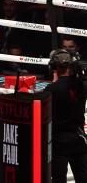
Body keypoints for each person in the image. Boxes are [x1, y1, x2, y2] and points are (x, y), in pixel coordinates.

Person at [44, 49, 87, 183]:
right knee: (83, 177)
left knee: (58, 178)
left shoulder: (51, 89)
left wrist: (54, 82)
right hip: (78, 137)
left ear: (54, 68)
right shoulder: (82, 85)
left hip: (58, 140)